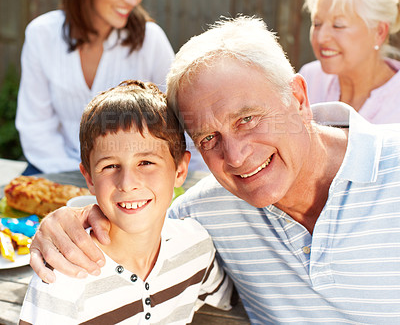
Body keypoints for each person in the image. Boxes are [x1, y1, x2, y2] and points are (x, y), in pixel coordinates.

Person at [29, 17, 400, 324]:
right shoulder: (208, 210)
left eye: (247, 119)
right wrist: (69, 219)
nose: (236, 156)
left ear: (299, 98)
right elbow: (137, 211)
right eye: (208, 138)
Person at [19, 80, 232, 324]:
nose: (128, 183)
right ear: (88, 177)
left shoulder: (196, 247)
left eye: (146, 162)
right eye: (110, 166)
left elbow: (231, 299)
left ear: (180, 170)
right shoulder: (62, 277)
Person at [16, 0, 207, 175]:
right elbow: (36, 125)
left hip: (130, 176)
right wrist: (79, 181)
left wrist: (192, 182)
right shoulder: (41, 34)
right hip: (53, 168)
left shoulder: (150, 40)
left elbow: (183, 121)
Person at [299, 0, 400, 123]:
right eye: (317, 24)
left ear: (379, 32)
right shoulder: (309, 78)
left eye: (338, 26)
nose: (321, 38)